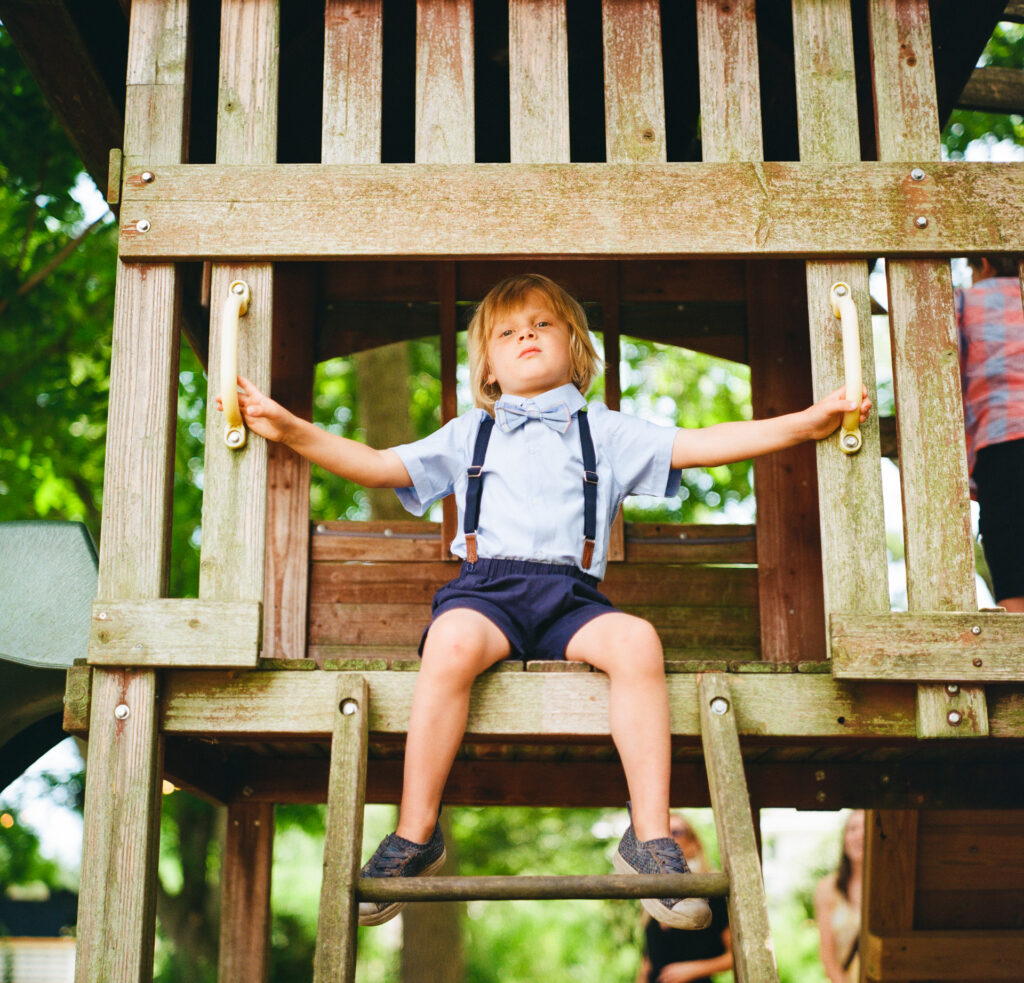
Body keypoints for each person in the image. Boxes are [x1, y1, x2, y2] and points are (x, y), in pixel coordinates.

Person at [219, 273, 870, 929]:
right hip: (486, 592)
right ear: (490, 367)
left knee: (638, 640)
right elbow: (380, 464)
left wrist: (809, 421)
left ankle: (648, 838)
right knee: (449, 643)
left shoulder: (605, 431)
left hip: (569, 599)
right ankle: (416, 831)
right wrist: (292, 429)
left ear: (575, 346)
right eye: (507, 331)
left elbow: (705, 442)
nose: (524, 334)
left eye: (541, 324)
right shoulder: (470, 432)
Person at [956, 255, 1024, 612]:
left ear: (983, 262)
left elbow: (948, 367)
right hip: (1003, 439)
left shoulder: (967, 301)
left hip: (1002, 442)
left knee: (1009, 538)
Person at [636, 814, 732, 983]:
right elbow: (647, 963)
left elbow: (734, 956)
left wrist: (693, 970)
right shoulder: (652, 893)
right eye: (662, 835)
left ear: (694, 844)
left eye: (676, 832)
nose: (668, 840)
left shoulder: (712, 896)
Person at [814, 810, 864, 983]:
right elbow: (827, 955)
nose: (860, 835)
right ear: (844, 838)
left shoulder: (889, 886)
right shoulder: (828, 888)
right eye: (853, 829)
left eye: (866, 829)